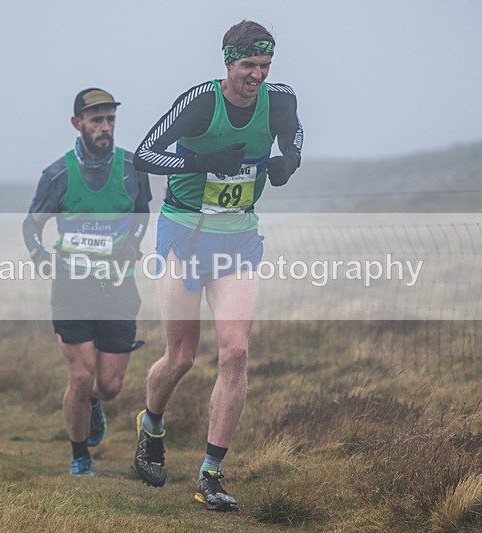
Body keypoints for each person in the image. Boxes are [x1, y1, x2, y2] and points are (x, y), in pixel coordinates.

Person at [130, 21, 303, 511]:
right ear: (228, 63)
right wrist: (203, 164)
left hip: (239, 239)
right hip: (183, 235)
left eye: (265, 66)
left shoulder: (281, 98)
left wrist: (289, 160)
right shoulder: (202, 102)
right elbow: (145, 155)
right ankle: (152, 424)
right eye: (248, 65)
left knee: (235, 354)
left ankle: (211, 473)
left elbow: (294, 136)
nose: (257, 75)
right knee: (181, 357)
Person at [23, 88, 152, 477]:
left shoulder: (132, 168)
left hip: (117, 286)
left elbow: (143, 213)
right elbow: (32, 225)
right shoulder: (57, 175)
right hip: (71, 286)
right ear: (77, 124)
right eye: (97, 120)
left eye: (110, 119)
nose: (105, 127)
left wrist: (131, 244)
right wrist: (40, 257)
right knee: (80, 376)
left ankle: (95, 404)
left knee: (108, 386)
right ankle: (80, 455)